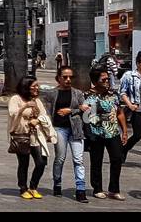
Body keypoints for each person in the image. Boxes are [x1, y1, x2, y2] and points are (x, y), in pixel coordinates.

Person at [42, 66, 88, 201]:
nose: (68, 80)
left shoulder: (78, 93)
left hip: (76, 130)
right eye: (65, 77)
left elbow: (86, 112)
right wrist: (47, 132)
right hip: (59, 128)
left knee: (78, 160)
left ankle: (80, 189)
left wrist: (71, 110)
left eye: (71, 77)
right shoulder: (51, 93)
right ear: (59, 78)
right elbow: (47, 114)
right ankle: (57, 183)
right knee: (60, 158)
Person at [83, 66, 128, 200]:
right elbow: (85, 116)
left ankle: (114, 189)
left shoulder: (113, 94)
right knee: (96, 160)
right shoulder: (86, 95)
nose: (107, 81)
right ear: (95, 81)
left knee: (117, 158)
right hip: (95, 132)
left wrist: (124, 130)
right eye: (104, 79)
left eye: (108, 79)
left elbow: (119, 113)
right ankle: (97, 188)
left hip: (112, 132)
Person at [8, 76, 54, 199]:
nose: (36, 88)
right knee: (24, 163)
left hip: (36, 136)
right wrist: (25, 106)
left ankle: (33, 186)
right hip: (21, 135)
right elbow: (13, 113)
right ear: (26, 87)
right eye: (33, 86)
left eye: (37, 86)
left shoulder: (37, 100)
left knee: (41, 162)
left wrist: (37, 120)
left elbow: (44, 115)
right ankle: (23, 188)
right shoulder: (16, 99)